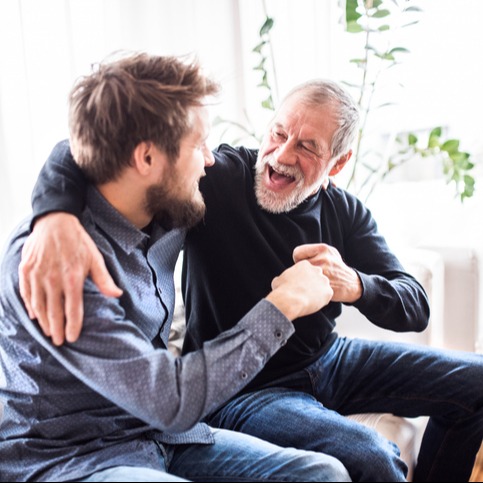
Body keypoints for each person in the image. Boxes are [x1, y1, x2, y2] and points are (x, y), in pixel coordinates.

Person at [18, 77, 483, 481]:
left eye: (306, 147)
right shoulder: (216, 179)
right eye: (278, 133)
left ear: (337, 164)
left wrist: (354, 284)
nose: (281, 155)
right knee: (373, 458)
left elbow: (415, 306)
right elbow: (82, 148)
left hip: (329, 358)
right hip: (248, 387)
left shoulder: (345, 211)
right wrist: (53, 214)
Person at [0, 53, 354, 482]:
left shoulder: (163, 212)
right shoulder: (59, 261)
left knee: (322, 474)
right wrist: (284, 303)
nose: (209, 160)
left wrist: (51, 208)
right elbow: (171, 398)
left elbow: (72, 149)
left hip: (154, 437)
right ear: (147, 159)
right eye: (198, 144)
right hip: (72, 459)